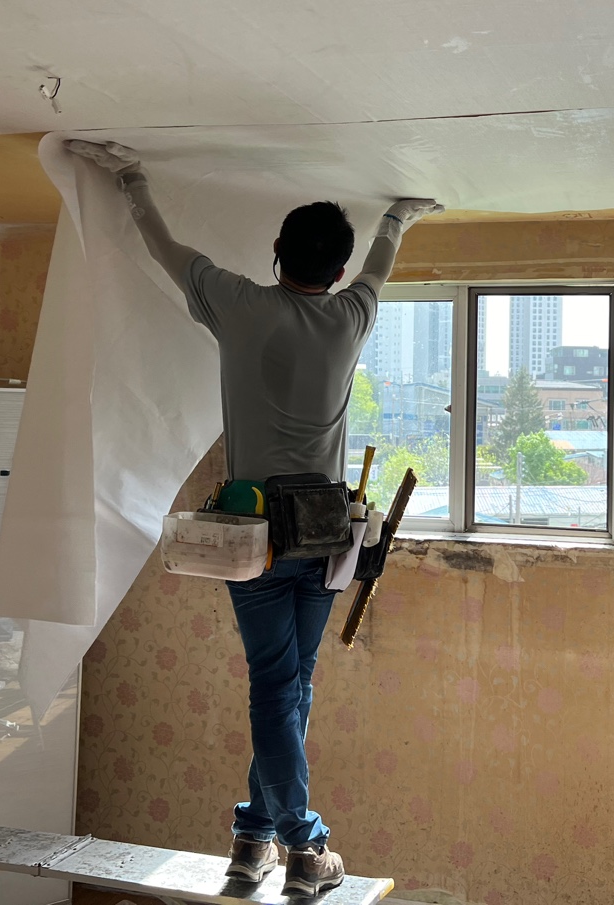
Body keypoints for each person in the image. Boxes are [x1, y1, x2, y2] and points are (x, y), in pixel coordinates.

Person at [66, 138, 442, 897]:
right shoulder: (350, 317)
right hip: (325, 536)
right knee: (289, 687)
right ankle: (287, 842)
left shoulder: (238, 305)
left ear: (276, 251)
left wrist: (132, 177)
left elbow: (164, 247)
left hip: (257, 542)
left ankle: (268, 840)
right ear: (335, 272)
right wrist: (398, 217)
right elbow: (379, 269)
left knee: (282, 686)